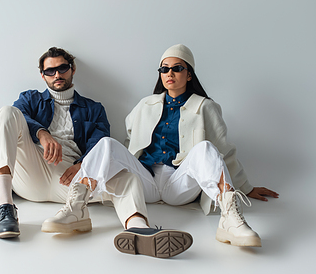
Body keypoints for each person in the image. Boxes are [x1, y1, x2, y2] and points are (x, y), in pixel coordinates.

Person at [43, 44, 278, 257]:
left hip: (180, 184)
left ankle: (231, 219)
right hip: (146, 181)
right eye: (164, 69)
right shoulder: (146, 105)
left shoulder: (205, 107)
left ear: (189, 74)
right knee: (106, 143)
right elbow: (128, 142)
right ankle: (76, 209)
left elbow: (223, 152)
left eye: (177, 68)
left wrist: (245, 187)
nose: (170, 74)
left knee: (206, 147)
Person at [0, 47, 183, 250]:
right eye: (50, 71)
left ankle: (137, 228)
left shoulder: (94, 108)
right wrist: (42, 133)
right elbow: (17, 116)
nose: (57, 74)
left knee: (128, 179)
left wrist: (82, 165)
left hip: (74, 180)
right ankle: (5, 208)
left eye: (62, 68)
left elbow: (100, 142)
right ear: (42, 75)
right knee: (7, 113)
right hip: (32, 169)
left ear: (72, 69)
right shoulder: (30, 99)